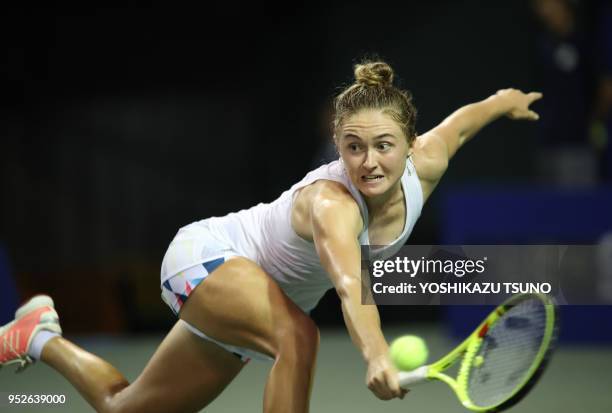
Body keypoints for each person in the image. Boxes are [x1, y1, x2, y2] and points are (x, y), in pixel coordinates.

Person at [0, 60, 542, 413]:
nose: (369, 162)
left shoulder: (430, 159)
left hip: (259, 301)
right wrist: (375, 353)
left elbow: (470, 118)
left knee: (125, 408)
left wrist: (506, 100)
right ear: (336, 142)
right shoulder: (331, 204)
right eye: (353, 147)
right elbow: (352, 285)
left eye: (384, 145)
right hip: (208, 259)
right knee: (298, 337)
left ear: (411, 142)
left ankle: (37, 336)